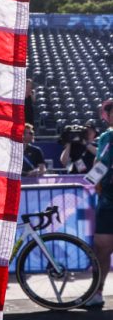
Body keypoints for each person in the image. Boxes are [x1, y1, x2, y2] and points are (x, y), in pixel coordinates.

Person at [87, 100, 113, 308]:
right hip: (108, 201)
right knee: (102, 248)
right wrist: (91, 181)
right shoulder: (106, 137)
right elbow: (100, 164)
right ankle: (97, 292)